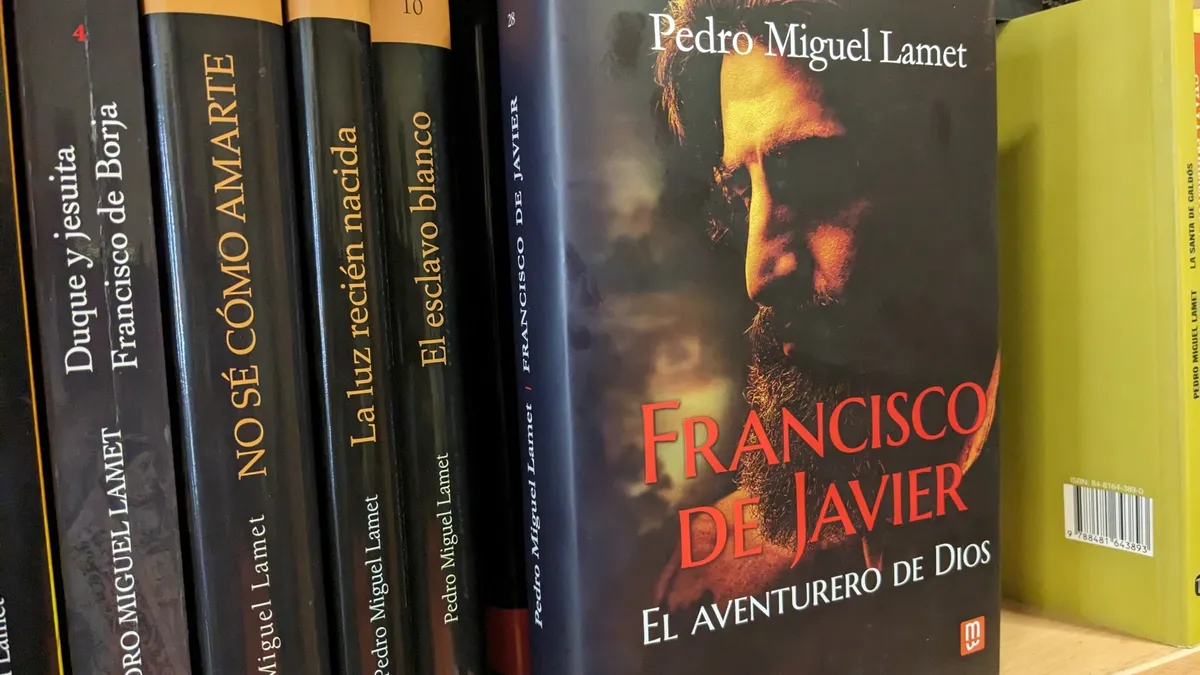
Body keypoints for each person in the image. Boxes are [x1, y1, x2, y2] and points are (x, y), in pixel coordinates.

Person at [648, 0, 1000, 613]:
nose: (759, 273)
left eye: (813, 174)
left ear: (946, 161)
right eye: (742, 194)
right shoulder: (710, 586)